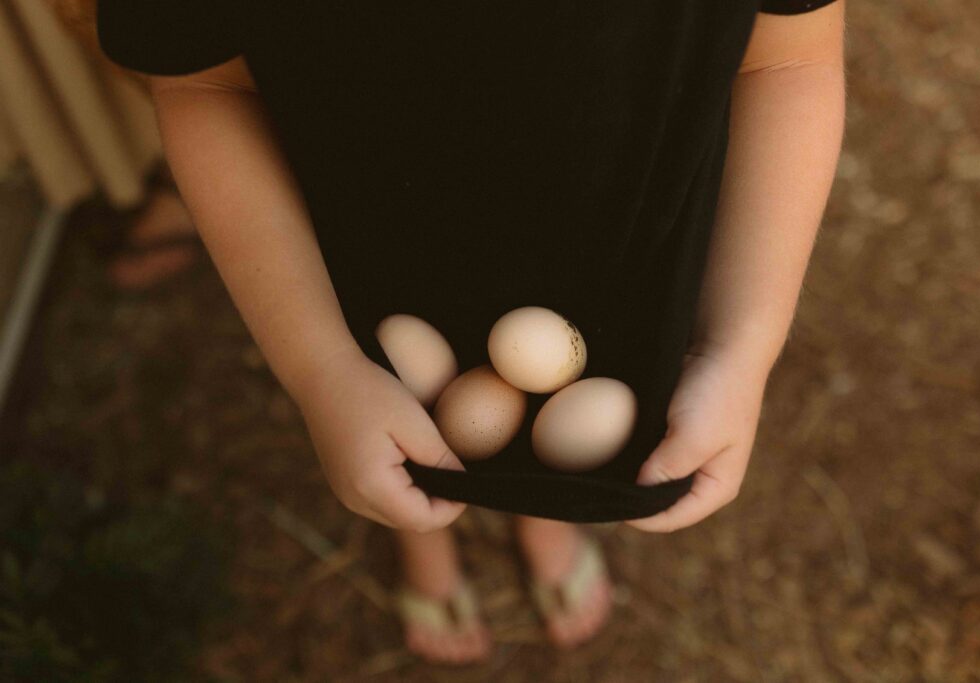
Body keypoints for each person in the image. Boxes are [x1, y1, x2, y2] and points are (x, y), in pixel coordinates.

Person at [96, 0, 846, 665]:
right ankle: (424, 524)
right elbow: (204, 82)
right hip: (361, 247)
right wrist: (320, 365)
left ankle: (541, 506)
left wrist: (742, 346)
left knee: (539, 407)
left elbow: (789, 54)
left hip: (603, 257)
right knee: (398, 404)